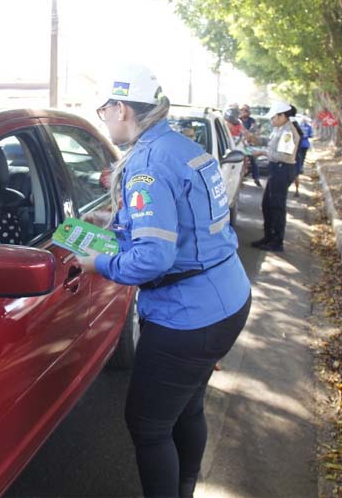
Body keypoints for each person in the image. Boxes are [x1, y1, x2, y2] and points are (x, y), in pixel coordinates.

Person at [76, 64, 251, 498]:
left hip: (187, 317)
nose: (104, 119)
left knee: (148, 425)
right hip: (226, 297)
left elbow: (153, 259)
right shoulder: (180, 147)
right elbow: (188, 221)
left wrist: (99, 264)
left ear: (121, 108)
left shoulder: (146, 166)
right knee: (187, 406)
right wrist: (118, 224)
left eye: (104, 110)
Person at [250, 101, 300, 252]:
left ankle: (277, 241)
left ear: (282, 116)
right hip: (276, 169)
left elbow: (284, 156)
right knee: (267, 205)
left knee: (277, 207)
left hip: (282, 169)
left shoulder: (288, 132)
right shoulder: (280, 129)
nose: (271, 121)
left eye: (273, 117)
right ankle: (268, 236)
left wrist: (263, 153)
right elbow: (272, 145)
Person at [293, 116, 313, 197]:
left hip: (292, 155)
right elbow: (311, 135)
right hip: (304, 145)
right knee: (302, 158)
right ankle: (296, 190)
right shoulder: (308, 127)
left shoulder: (294, 134)